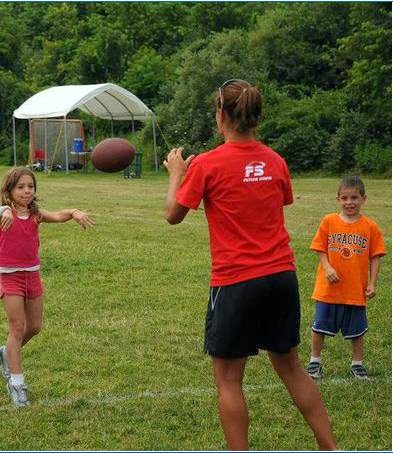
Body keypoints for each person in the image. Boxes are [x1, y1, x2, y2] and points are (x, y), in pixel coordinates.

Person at [163, 79, 337, 450]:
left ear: (221, 114)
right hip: (281, 277)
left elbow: (172, 215)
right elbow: (276, 201)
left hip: (236, 282)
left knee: (228, 379)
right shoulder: (275, 160)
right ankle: (330, 448)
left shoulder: (207, 164)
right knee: (290, 367)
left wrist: (177, 173)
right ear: (256, 116)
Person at [0, 167, 94, 407]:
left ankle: (6, 353)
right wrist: (2, 210)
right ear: (9, 190)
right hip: (10, 277)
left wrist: (74, 212)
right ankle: (17, 384)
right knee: (17, 328)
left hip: (32, 275)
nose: (26, 191)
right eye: (20, 187)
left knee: (34, 326)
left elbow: (58, 215)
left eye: (30, 187)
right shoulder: (5, 213)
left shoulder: (36, 214)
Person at [307, 176, 386, 381]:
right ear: (338, 199)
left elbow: (376, 257)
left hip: (355, 290)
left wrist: (372, 283)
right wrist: (327, 267)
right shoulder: (329, 221)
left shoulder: (370, 227)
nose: (349, 202)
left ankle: (357, 365)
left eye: (354, 197)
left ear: (363, 199)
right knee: (319, 326)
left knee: (357, 330)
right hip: (328, 290)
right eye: (344, 198)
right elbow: (320, 248)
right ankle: (315, 362)